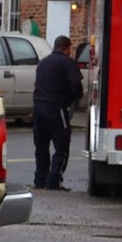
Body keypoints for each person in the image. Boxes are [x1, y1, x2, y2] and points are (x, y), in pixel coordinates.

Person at [32, 34, 82, 191]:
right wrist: (74, 99)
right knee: (62, 145)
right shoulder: (68, 63)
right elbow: (76, 85)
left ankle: (40, 180)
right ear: (68, 48)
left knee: (41, 145)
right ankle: (54, 181)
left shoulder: (43, 63)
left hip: (38, 107)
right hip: (56, 108)